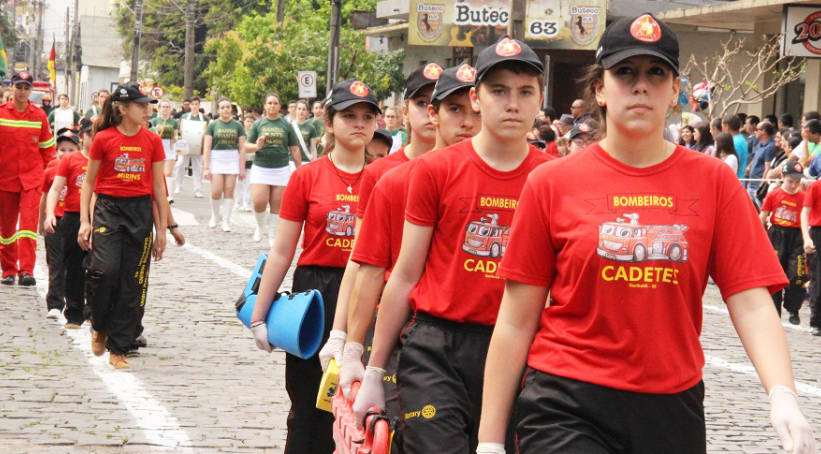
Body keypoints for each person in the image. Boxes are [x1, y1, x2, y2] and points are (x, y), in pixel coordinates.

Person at [476, 13, 814, 454]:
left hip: (672, 405)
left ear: (676, 90)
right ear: (599, 88)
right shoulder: (551, 183)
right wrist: (488, 441)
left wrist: (782, 394)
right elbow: (517, 319)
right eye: (624, 72)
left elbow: (750, 301)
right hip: (566, 400)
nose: (640, 86)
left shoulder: (714, 182)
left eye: (656, 73)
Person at [353, 36, 552, 453]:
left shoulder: (556, 178)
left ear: (540, 99)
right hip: (436, 349)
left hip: (522, 349)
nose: (512, 104)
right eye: (498, 91)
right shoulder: (434, 171)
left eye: (525, 92)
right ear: (477, 97)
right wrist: (372, 369)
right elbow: (404, 275)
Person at [336, 64, 481, 435]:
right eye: (454, 109)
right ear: (431, 112)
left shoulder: (524, 179)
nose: (466, 121)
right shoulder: (391, 178)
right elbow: (367, 266)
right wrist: (351, 344)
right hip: (409, 334)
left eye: (473, 110)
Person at [250, 78, 379, 454]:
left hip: (368, 290)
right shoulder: (307, 176)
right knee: (308, 401)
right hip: (317, 295)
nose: (359, 123)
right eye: (349, 115)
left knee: (362, 403)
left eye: (367, 116)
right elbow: (282, 250)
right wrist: (261, 314)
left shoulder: (388, 176)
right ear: (329, 122)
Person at [317, 63, 440, 382]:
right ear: (405, 110)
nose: (430, 112)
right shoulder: (380, 174)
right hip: (387, 314)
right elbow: (360, 262)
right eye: (421, 103)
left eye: (440, 104)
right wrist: (341, 334)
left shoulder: (469, 171)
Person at [77, 82, 168, 370]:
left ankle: (119, 347)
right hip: (108, 209)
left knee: (134, 282)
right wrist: (84, 221)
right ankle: (100, 325)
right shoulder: (103, 138)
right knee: (105, 272)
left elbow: (158, 188)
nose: (146, 110)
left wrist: (162, 229)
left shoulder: (152, 139)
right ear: (123, 108)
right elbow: (89, 183)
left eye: (148, 105)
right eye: (140, 105)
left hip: (140, 212)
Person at [0, 71, 56, 286]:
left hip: (32, 180)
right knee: (6, 230)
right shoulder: (2, 114)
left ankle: (26, 270)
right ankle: (8, 270)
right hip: (5, 180)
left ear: (31, 90)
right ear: (11, 88)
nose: (22, 91)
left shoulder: (39, 115)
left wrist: (47, 178)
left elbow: (47, 151)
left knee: (27, 227)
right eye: (19, 86)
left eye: (26, 87)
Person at [44, 126, 89, 329]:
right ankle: (67, 309)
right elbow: (52, 191)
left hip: (96, 217)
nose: (66, 154)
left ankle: (93, 310)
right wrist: (48, 216)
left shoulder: (101, 160)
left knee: (97, 266)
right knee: (67, 265)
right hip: (68, 218)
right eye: (89, 134)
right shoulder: (65, 164)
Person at [244, 93, 301, 245]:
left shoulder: (286, 125)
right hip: (261, 167)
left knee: (277, 203)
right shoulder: (258, 124)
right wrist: (257, 146)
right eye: (269, 103)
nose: (272, 106)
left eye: (275, 103)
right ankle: (260, 226)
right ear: (265, 106)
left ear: (279, 106)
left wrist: (299, 169)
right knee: (259, 201)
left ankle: (272, 234)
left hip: (280, 168)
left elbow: (294, 149)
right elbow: (246, 146)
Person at [761, 160, 806, 324]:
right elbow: (763, 216)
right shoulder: (774, 194)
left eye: (797, 182)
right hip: (777, 235)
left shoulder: (803, 197)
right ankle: (774, 312)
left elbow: (806, 216)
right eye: (790, 181)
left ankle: (793, 307)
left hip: (797, 236)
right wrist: (760, 238)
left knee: (797, 275)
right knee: (775, 276)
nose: (794, 185)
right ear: (782, 177)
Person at [39, 129, 70, 318]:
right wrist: (41, 221)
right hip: (55, 220)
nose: (66, 154)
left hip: (74, 219)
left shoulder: (84, 168)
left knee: (73, 263)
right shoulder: (51, 171)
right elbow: (44, 197)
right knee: (55, 263)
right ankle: (55, 303)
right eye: (62, 150)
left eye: (71, 150)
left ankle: (74, 300)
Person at [203, 97, 247, 232]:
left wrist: (242, 168)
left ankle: (226, 221)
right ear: (218, 110)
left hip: (232, 159)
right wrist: (206, 167)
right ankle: (215, 215)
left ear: (231, 109)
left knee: (229, 190)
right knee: (216, 191)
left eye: (228, 107)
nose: (226, 110)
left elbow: (242, 147)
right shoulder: (213, 125)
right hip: (216, 159)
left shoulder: (238, 125)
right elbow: (207, 146)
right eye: (222, 107)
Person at [174, 96, 209, 198]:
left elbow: (206, 132)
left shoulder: (204, 118)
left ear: (199, 105)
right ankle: (179, 185)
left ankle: (197, 190)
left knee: (197, 168)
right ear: (190, 105)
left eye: (196, 104)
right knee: (180, 165)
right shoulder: (184, 116)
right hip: (185, 144)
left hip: (198, 145)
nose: (194, 106)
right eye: (192, 104)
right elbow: (180, 129)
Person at [801, 165, 821, 337]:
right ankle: (816, 321)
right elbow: (805, 213)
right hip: (818, 232)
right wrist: (806, 237)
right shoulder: (815, 186)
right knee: (817, 278)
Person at [150, 100, 179, 203]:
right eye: (163, 107)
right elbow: (151, 134)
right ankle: (159, 194)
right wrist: (156, 130)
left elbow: (176, 134)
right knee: (159, 173)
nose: (165, 109)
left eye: (167, 107)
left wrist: (176, 138)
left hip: (170, 147)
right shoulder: (154, 121)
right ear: (159, 108)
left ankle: (169, 196)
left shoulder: (173, 122)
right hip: (159, 146)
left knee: (168, 172)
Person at [748, 121, 776, 205]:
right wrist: (749, 168)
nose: (755, 131)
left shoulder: (770, 147)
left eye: (757, 129)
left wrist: (761, 186)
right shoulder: (760, 144)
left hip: (758, 186)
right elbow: (755, 157)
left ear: (763, 131)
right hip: (752, 183)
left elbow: (767, 168)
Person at [235, 114, 256, 212]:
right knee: (239, 183)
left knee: (248, 184)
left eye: (252, 122)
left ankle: (246, 203)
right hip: (240, 162)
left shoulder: (256, 135)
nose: (250, 124)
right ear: (244, 123)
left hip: (251, 162)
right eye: (248, 121)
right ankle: (237, 200)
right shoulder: (241, 134)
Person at [291, 99, 318, 167]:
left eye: (304, 109)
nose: (301, 111)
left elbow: (313, 148)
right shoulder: (289, 126)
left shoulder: (311, 128)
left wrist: (315, 163)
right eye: (299, 109)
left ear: (307, 111)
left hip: (306, 161)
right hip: (291, 161)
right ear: (295, 110)